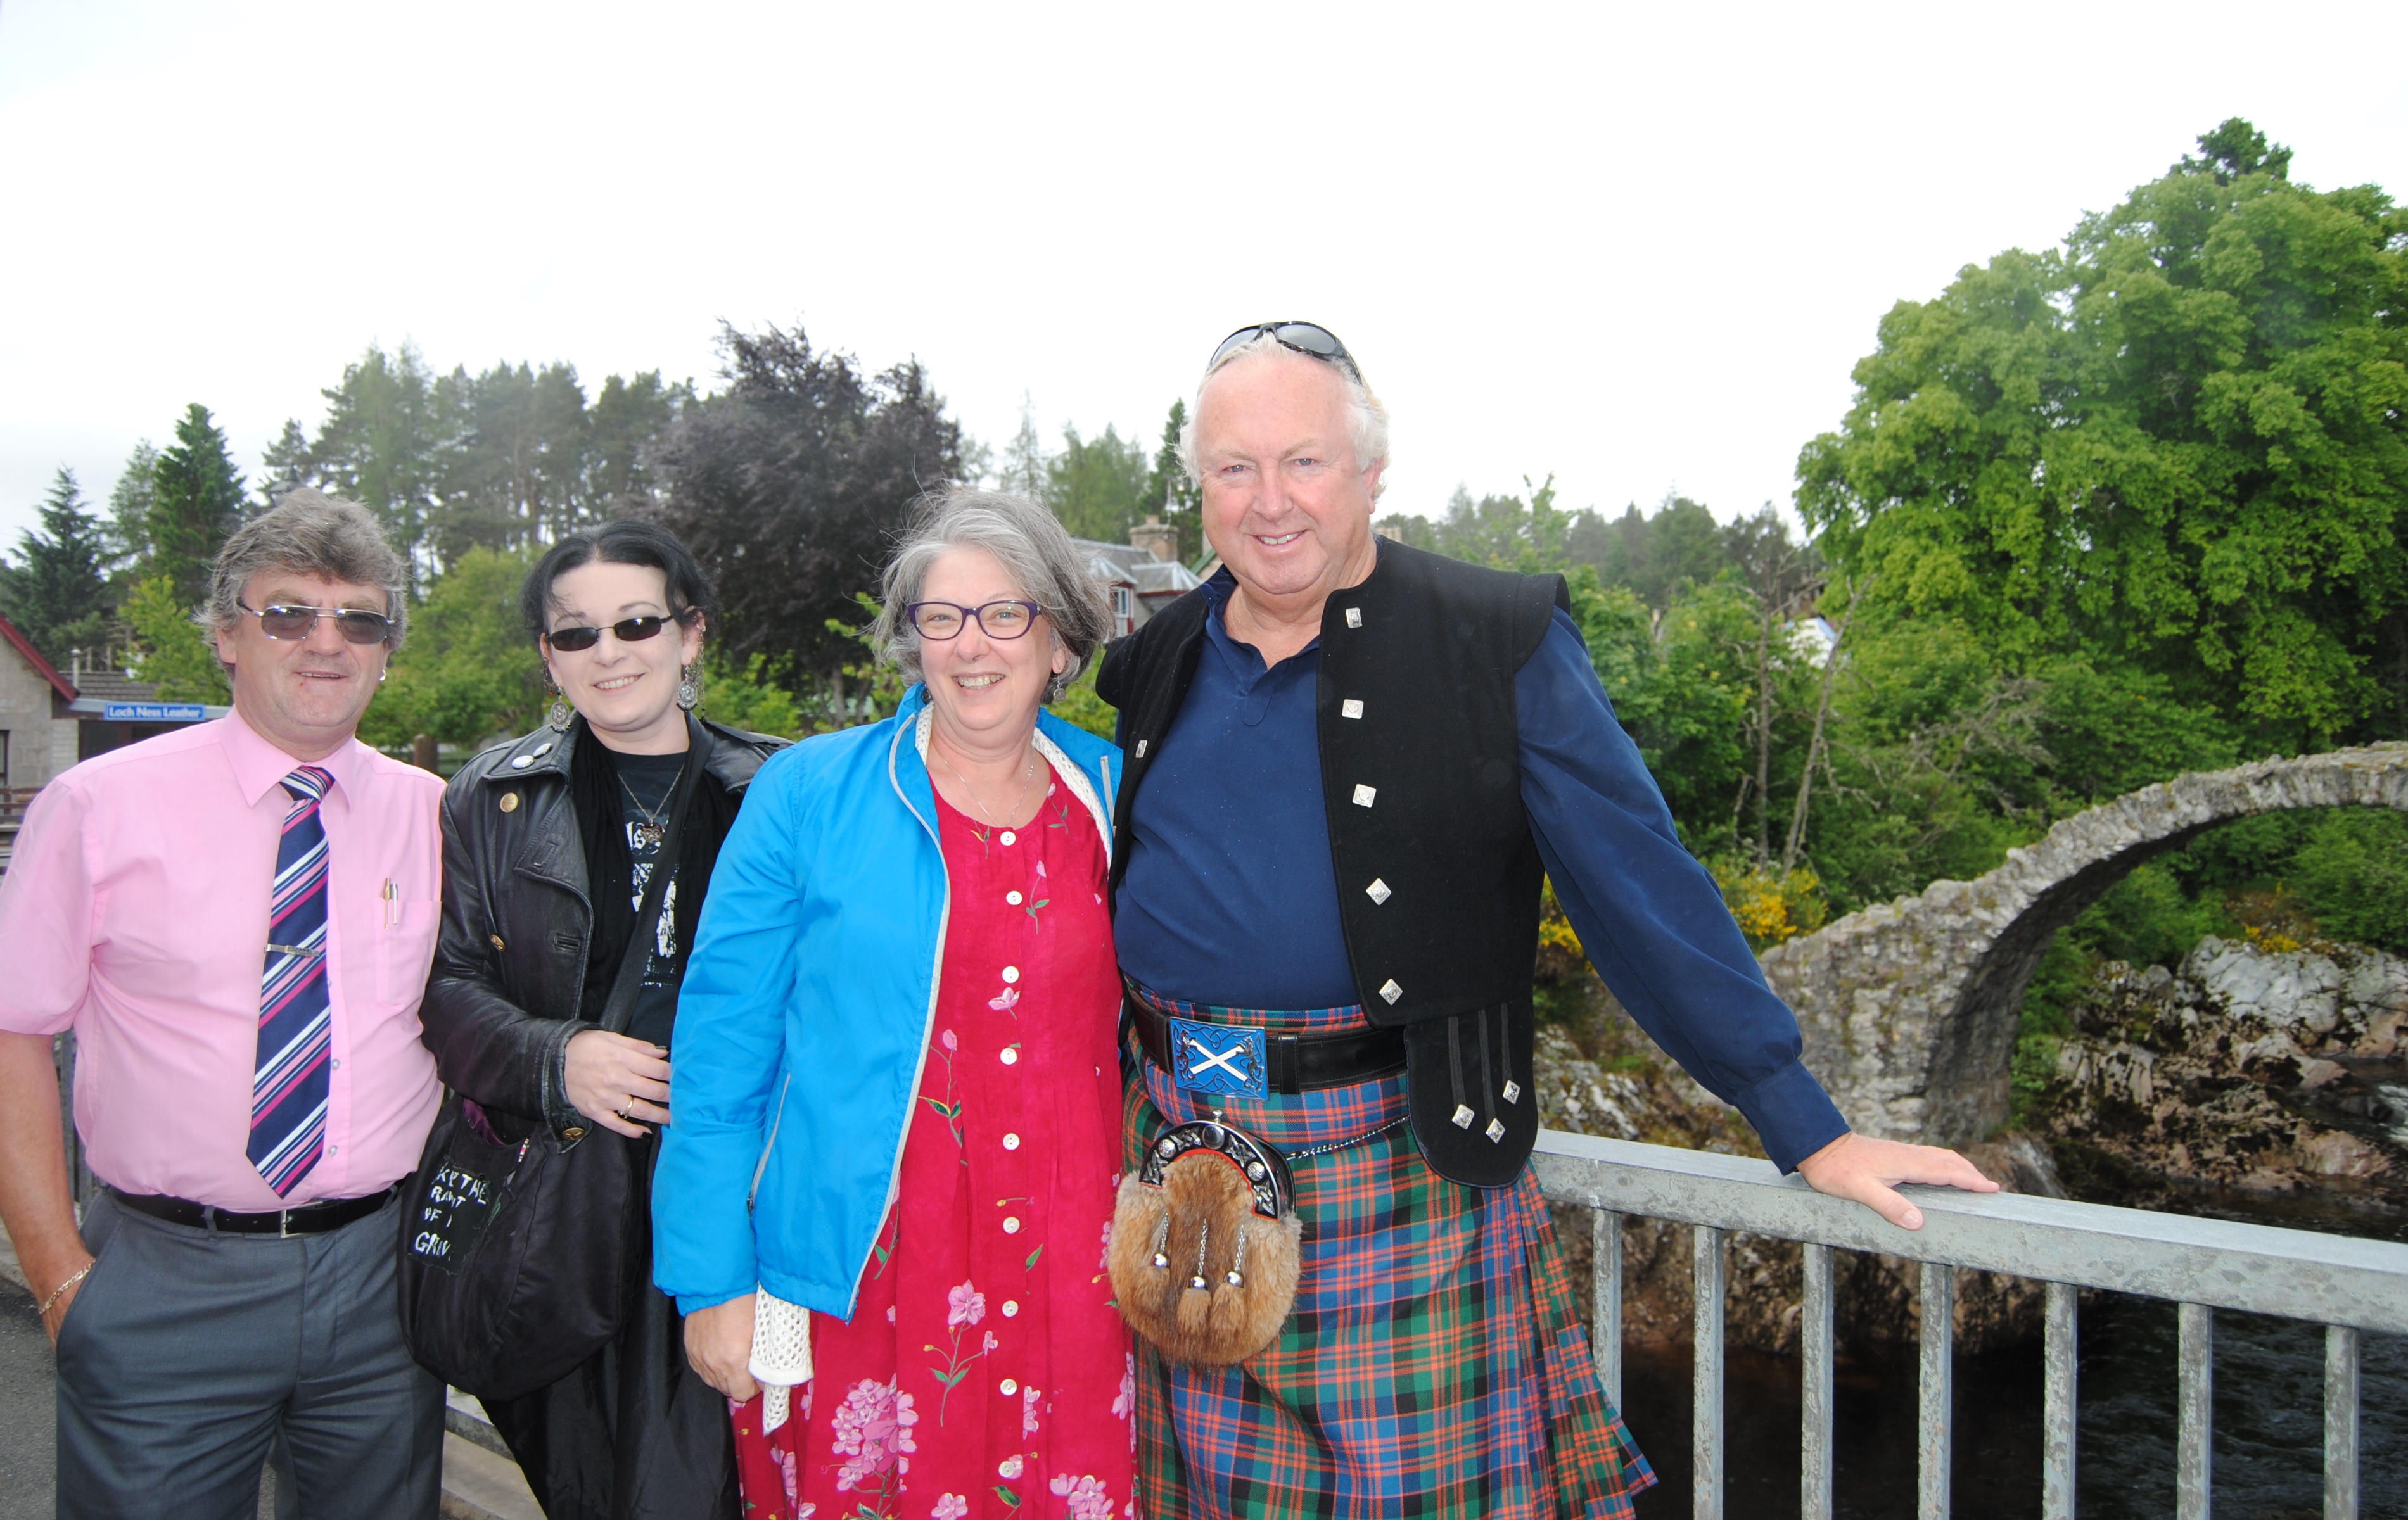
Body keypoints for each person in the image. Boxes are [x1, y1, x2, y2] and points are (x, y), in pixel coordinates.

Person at [1097, 322, 2001, 1518]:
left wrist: (1802, 1122)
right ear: (1198, 485)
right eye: (1233, 469)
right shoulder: (1152, 659)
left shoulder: (1494, 637)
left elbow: (1635, 880)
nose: (1271, 502)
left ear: (1371, 472)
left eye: (1304, 462)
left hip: (1395, 1166)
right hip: (1177, 1167)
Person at [655, 488, 1135, 1520]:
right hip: (862, 1275)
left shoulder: (1117, 802)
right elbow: (721, 1053)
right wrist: (708, 1280)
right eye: (941, 617)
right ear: (910, 640)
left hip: (1076, 1283)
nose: (973, 646)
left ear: (1059, 641)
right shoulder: (805, 795)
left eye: (1005, 613)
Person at [0, 490, 447, 1519]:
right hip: (166, 1278)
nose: (326, 642)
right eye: (288, 613)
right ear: (226, 637)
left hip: (382, 1285)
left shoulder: (437, 816)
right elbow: (19, 1035)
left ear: (387, 649)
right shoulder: (97, 807)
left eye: (360, 619)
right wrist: (61, 1279)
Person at [415, 520, 787, 1519]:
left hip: (741, 1198)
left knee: (739, 1462)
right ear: (548, 656)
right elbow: (445, 991)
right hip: (568, 1199)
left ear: (690, 635)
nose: (608, 652)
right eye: (574, 635)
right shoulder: (491, 796)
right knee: (592, 1476)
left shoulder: (783, 788)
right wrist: (556, 1058)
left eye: (634, 623)